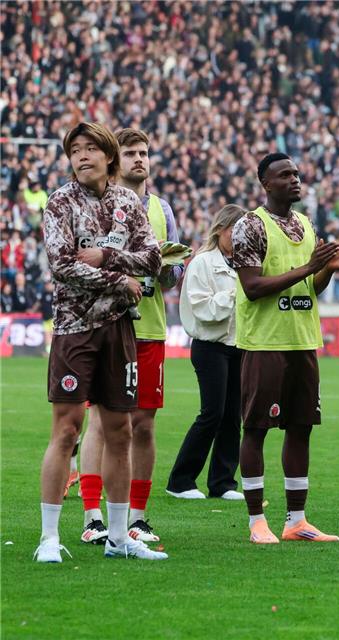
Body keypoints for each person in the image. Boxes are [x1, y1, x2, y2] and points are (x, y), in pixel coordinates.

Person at [36, 121, 166, 562]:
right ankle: (49, 538)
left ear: (109, 155)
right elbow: (62, 265)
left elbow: (152, 257)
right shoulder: (59, 202)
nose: (82, 156)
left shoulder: (129, 202)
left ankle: (117, 536)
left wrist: (107, 256)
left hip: (120, 331)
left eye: (91, 148)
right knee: (67, 430)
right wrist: (120, 280)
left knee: (120, 431)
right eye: (75, 150)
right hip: (74, 328)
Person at [233, 152, 339, 544]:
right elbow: (253, 288)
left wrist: (326, 270)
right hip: (265, 342)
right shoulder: (249, 227)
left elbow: (310, 288)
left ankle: (297, 520)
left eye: (296, 173)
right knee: (256, 429)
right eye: (284, 174)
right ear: (265, 183)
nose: (294, 179)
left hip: (303, 340)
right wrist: (309, 267)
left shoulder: (305, 225)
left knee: (301, 428)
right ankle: (257, 520)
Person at [78, 128, 184, 545]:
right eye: (131, 153)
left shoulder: (163, 209)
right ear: (113, 159)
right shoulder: (96, 205)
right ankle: (92, 517)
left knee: (143, 424)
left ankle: (137, 518)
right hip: (103, 325)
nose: (140, 159)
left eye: (144, 152)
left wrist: (165, 263)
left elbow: (172, 277)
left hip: (150, 327)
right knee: (100, 423)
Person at [167, 205, 247, 500]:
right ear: (221, 230)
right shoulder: (201, 263)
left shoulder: (245, 263)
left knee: (232, 416)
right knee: (211, 413)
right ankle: (181, 481)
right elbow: (204, 310)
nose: (240, 239)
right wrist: (237, 294)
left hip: (238, 345)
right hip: (210, 346)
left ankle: (223, 482)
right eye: (235, 232)